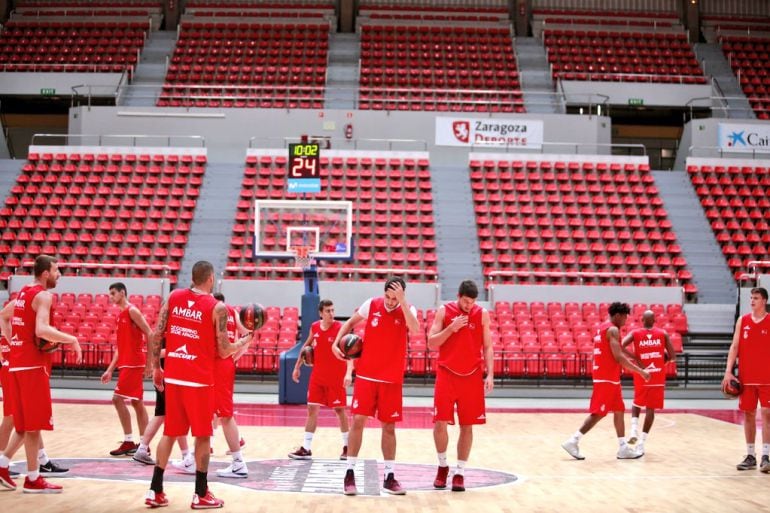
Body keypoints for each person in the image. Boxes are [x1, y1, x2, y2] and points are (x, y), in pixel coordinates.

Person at [143, 261, 251, 509]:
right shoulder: (217, 307)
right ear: (211, 279)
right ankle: (201, 493)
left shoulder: (173, 296)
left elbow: (156, 334)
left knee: (170, 432)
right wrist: (242, 342)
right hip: (199, 380)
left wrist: (157, 368)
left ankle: (155, 490)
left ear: (193, 278)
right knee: (202, 435)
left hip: (174, 374)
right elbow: (224, 350)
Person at [0, 255, 82, 492]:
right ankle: (33, 479)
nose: (59, 275)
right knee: (33, 426)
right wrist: (72, 339)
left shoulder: (23, 293)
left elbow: (4, 318)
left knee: (24, 426)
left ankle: (3, 464)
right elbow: (42, 330)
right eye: (56, 270)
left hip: (16, 365)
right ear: (45, 273)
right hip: (32, 367)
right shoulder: (44, 295)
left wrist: (15, 343)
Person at [332, 277, 419, 496]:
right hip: (367, 376)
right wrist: (336, 342)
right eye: (387, 297)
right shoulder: (371, 304)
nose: (390, 302)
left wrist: (402, 301)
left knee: (389, 427)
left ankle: (389, 477)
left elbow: (415, 330)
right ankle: (349, 472)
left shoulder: (409, 310)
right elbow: (350, 323)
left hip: (391, 379)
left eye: (394, 298)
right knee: (358, 422)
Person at [427, 280, 493, 492]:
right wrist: (451, 328)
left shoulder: (481, 313)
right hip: (447, 374)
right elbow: (431, 342)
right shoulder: (444, 311)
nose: (469, 306)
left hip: (472, 377)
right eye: (465, 301)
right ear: (458, 296)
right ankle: (442, 465)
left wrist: (490, 374)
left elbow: (488, 345)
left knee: (467, 426)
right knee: (440, 423)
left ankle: (460, 472)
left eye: (472, 302)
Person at [561, 302, 650, 461]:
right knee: (598, 413)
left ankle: (623, 448)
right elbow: (618, 357)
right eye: (624, 317)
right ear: (617, 315)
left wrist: (635, 357)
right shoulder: (613, 329)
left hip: (610, 377)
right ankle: (573, 441)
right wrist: (640, 371)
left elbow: (619, 350)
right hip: (606, 377)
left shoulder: (603, 328)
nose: (626, 321)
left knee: (619, 410)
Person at [288, 299, 351, 461]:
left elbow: (350, 353)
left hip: (336, 377)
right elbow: (305, 347)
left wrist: (348, 373)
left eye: (333, 310)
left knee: (340, 411)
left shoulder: (339, 328)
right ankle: (306, 448)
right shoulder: (315, 327)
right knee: (312, 410)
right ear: (321, 313)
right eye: (328, 311)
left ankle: (347, 447)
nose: (331, 314)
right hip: (318, 377)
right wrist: (297, 367)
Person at [101, 283, 152, 457]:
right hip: (127, 363)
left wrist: (150, 364)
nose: (111, 297)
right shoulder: (120, 316)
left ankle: (130, 441)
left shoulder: (132, 311)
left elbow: (150, 333)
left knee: (117, 399)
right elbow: (120, 347)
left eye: (113, 293)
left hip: (134, 363)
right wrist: (110, 369)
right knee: (137, 403)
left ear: (122, 293)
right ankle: (143, 444)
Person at [723, 287, 770, 473]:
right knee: (749, 414)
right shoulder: (743, 321)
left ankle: (766, 455)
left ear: (764, 301)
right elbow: (734, 347)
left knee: (767, 413)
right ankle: (750, 455)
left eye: (756, 298)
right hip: (746, 377)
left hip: (767, 377)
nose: (752, 301)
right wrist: (728, 371)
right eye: (751, 297)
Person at [621, 310, 676, 455]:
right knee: (651, 409)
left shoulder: (635, 333)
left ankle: (633, 430)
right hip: (657, 375)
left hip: (642, 372)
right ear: (655, 320)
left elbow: (620, 346)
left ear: (642, 320)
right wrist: (662, 359)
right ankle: (642, 443)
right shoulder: (663, 333)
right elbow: (673, 356)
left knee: (637, 402)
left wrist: (636, 358)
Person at [212, 292, 254, 479]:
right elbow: (248, 335)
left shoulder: (212, 309)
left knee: (224, 413)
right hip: (224, 363)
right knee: (214, 410)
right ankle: (196, 455)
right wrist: (235, 355)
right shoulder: (232, 311)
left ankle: (238, 462)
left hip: (216, 364)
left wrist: (232, 353)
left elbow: (247, 336)